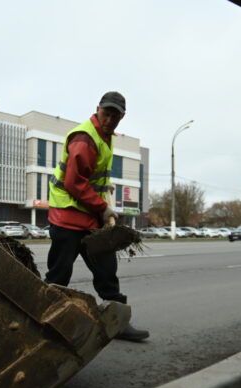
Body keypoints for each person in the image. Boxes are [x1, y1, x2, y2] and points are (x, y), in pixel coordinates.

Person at [44, 91, 149, 342]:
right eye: (106, 113)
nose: (110, 119)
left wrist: (103, 193)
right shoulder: (85, 138)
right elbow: (73, 182)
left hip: (89, 219)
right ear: (97, 110)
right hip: (67, 218)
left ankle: (118, 321)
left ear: (122, 117)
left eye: (115, 115)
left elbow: (92, 176)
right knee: (59, 275)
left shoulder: (104, 137)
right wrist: (102, 207)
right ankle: (45, 321)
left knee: (106, 269)